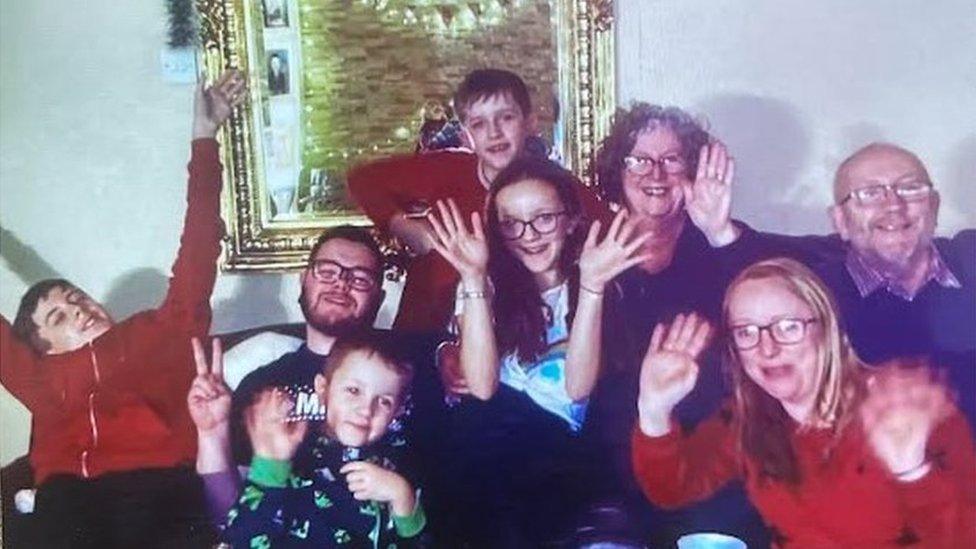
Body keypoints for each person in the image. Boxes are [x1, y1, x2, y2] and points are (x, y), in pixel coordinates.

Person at [0, 70, 244, 547]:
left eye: (77, 299)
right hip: (70, 504)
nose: (80, 310)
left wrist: (203, 137)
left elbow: (198, 242)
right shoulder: (39, 379)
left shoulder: (164, 330)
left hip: (159, 492)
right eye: (60, 318)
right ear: (44, 349)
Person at [632, 258, 976, 547]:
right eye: (746, 332)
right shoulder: (746, 419)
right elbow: (673, 488)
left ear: (828, 329)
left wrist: (913, 472)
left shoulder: (907, 405)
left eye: (788, 326)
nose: (767, 348)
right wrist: (654, 410)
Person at [425, 157, 648, 545]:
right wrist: (473, 278)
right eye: (510, 223)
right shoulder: (485, 284)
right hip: (492, 440)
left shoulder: (599, 277)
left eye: (543, 217)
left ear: (570, 219)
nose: (528, 235)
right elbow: (481, 387)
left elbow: (577, 389)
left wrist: (592, 286)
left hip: (561, 448)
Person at [581, 103, 768, 545]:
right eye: (640, 159)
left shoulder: (724, 241)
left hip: (709, 451)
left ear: (693, 170)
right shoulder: (590, 247)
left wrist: (719, 231)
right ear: (618, 169)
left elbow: (773, 297)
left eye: (671, 159)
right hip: (617, 448)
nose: (656, 173)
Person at [191, 225, 447, 532]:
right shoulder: (264, 383)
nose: (341, 283)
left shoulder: (406, 376)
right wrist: (212, 433)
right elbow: (230, 521)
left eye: (360, 278)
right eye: (327, 271)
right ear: (303, 280)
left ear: (378, 298)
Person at [707, 142, 975, 429]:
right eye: (869, 194)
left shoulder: (969, 259)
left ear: (934, 206)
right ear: (840, 222)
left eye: (910, 189)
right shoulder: (811, 300)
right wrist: (720, 233)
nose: (894, 205)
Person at [347, 68, 608, 332]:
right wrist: (403, 227)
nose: (494, 133)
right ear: (465, 134)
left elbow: (610, 231)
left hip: (512, 345)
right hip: (424, 332)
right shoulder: (448, 169)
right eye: (479, 124)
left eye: (505, 118)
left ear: (530, 122)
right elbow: (362, 180)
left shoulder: (556, 186)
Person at [194, 334, 427, 547]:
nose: (366, 409)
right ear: (323, 389)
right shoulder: (296, 451)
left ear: (397, 410)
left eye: (384, 401)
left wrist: (402, 498)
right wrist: (270, 464)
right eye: (353, 391)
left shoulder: (398, 465)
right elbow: (245, 539)